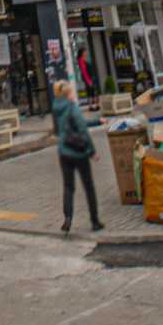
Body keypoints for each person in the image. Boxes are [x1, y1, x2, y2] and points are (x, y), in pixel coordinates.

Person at [50, 81, 103, 234]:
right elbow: (82, 130)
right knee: (88, 187)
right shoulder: (72, 107)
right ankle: (95, 221)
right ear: (68, 93)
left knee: (68, 187)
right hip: (79, 153)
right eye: (72, 91)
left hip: (64, 152)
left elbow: (58, 130)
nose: (74, 94)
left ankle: (67, 219)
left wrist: (97, 121)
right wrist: (92, 151)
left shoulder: (56, 108)